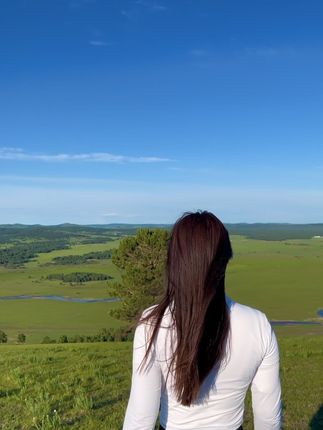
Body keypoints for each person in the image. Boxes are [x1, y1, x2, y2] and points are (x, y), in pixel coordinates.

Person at [123, 211, 282, 430]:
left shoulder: (152, 324)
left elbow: (140, 419)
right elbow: (268, 419)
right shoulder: (257, 324)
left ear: (174, 262)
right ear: (225, 260)